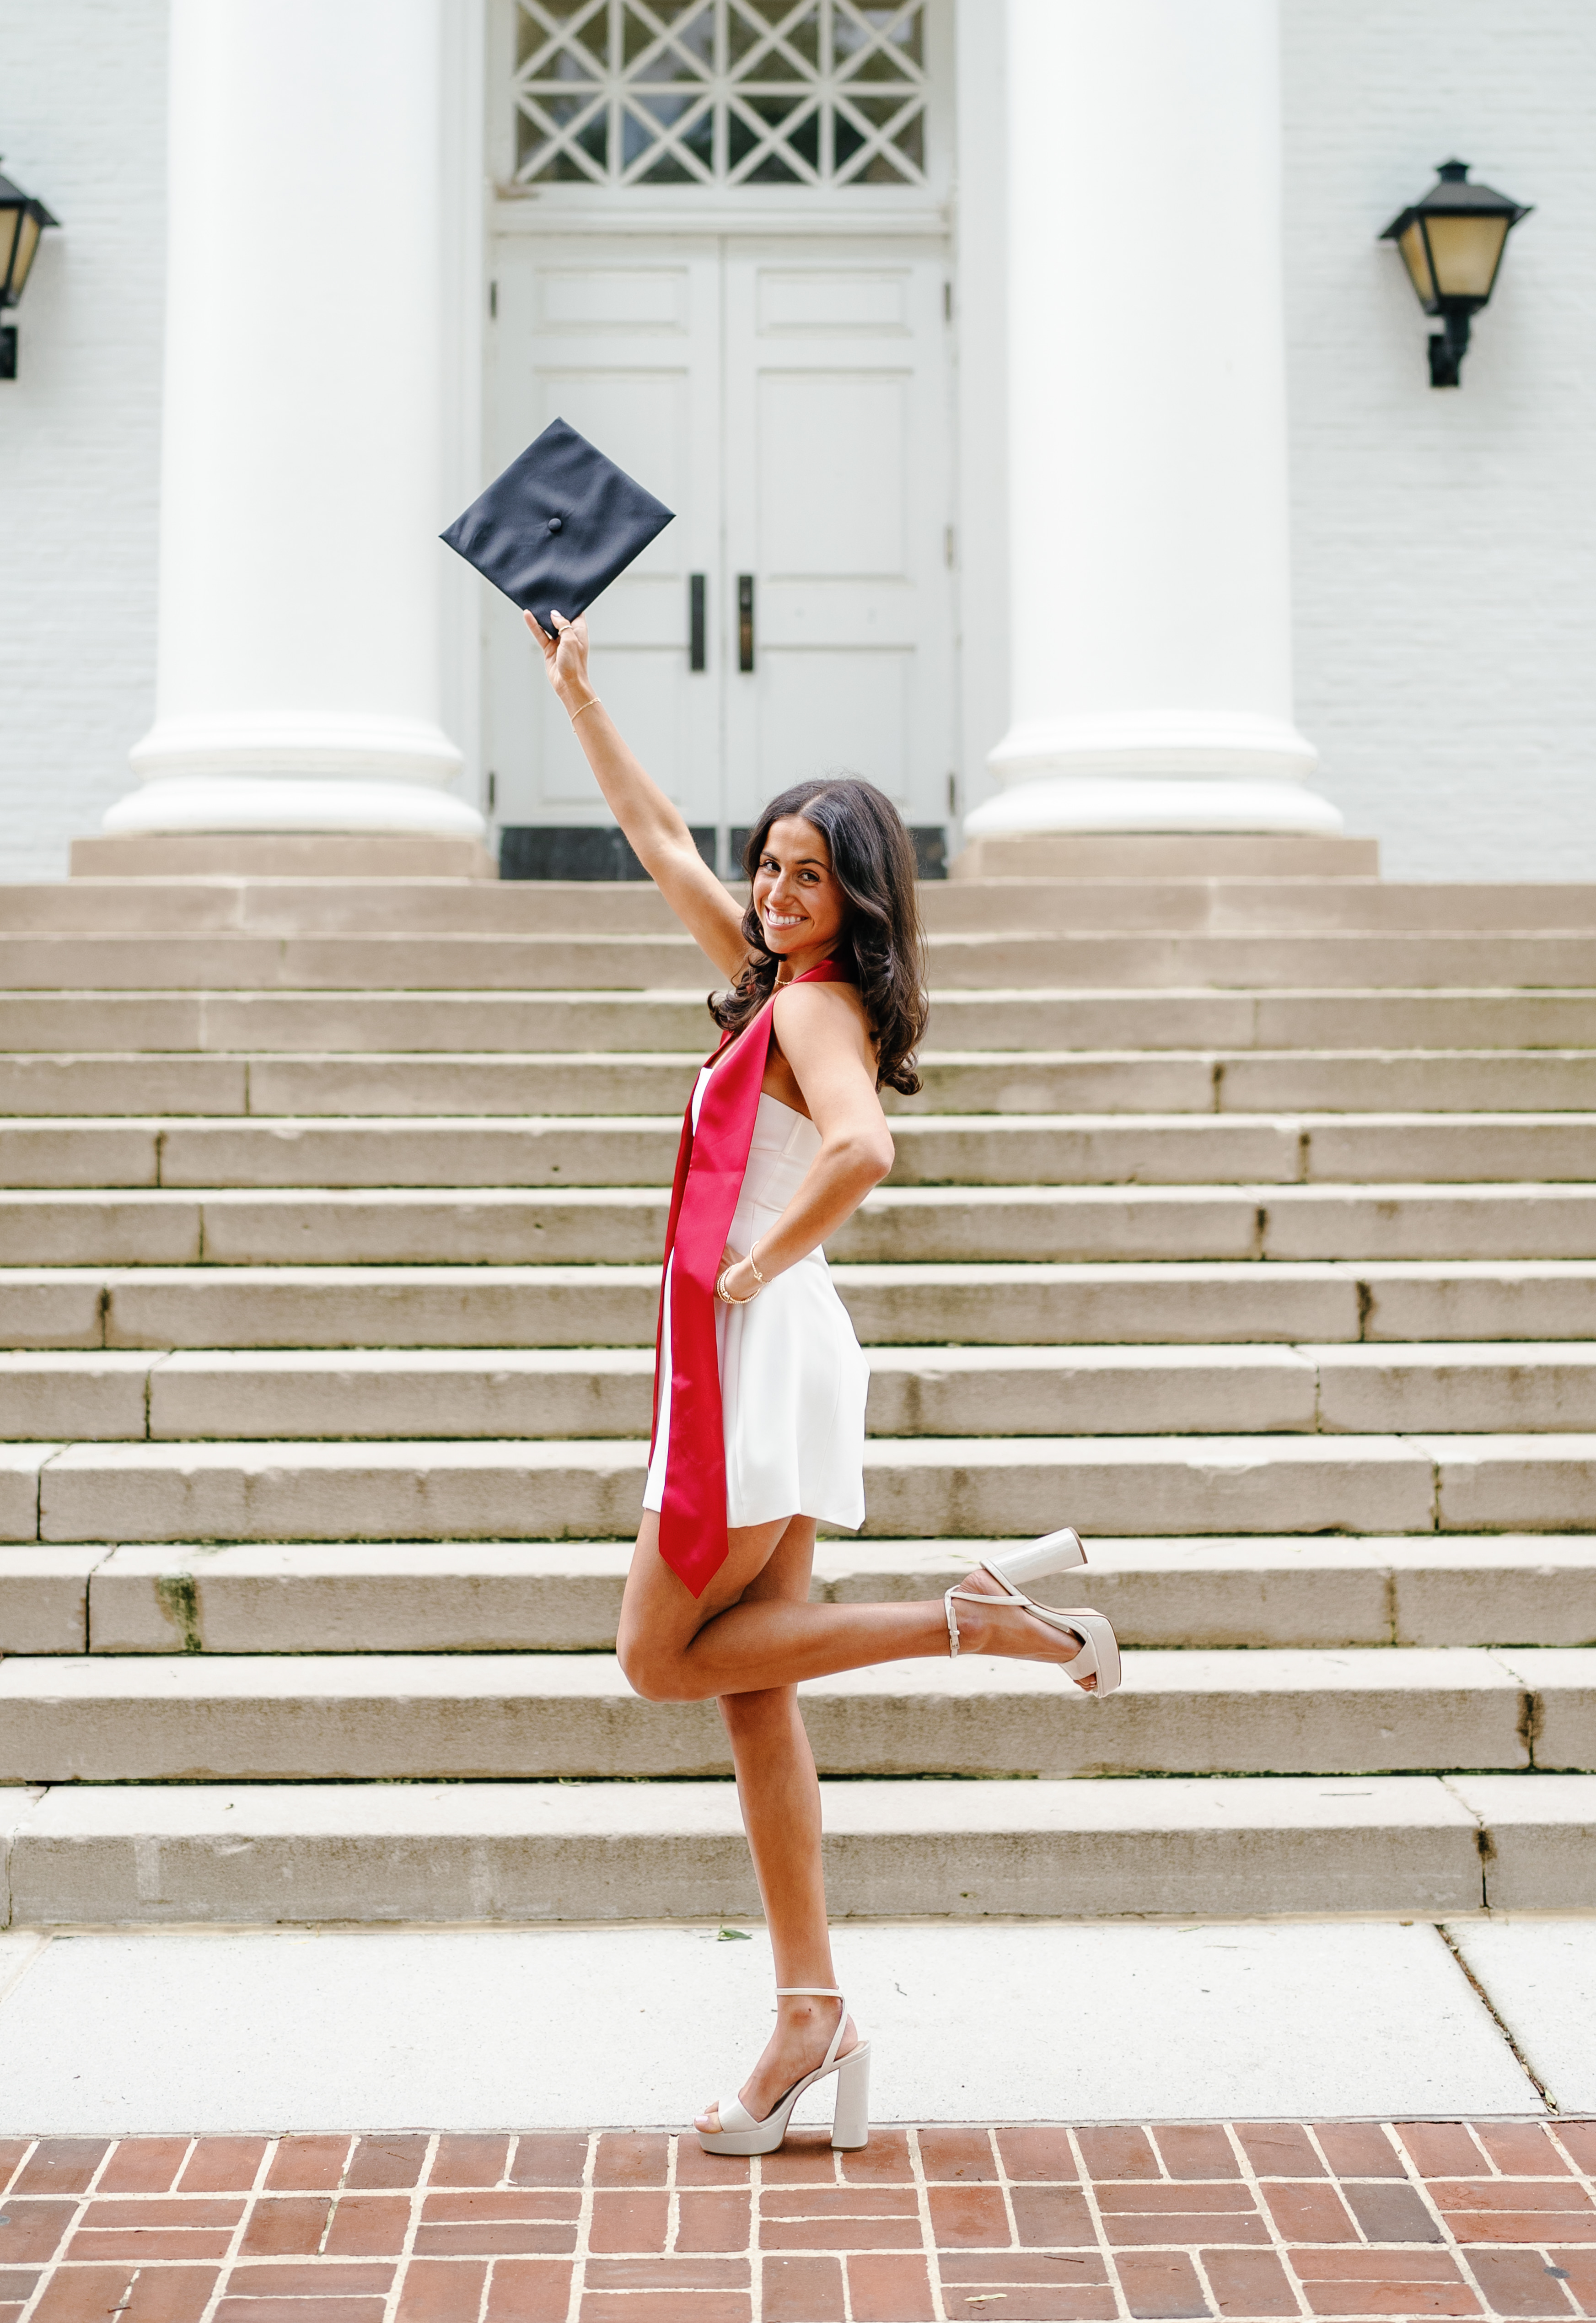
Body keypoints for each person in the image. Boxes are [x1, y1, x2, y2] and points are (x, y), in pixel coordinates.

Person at [526, 605, 1123, 2156]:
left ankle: (969, 1617)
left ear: (856, 898)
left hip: (759, 1343)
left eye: (808, 874)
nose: (777, 891)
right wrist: (580, 697)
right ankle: (810, 2014)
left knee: (663, 1656)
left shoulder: (808, 1002)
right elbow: (661, 835)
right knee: (756, 1688)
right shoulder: (775, 976)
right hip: (769, 1336)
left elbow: (864, 1146)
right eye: (772, 864)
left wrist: (758, 1259)